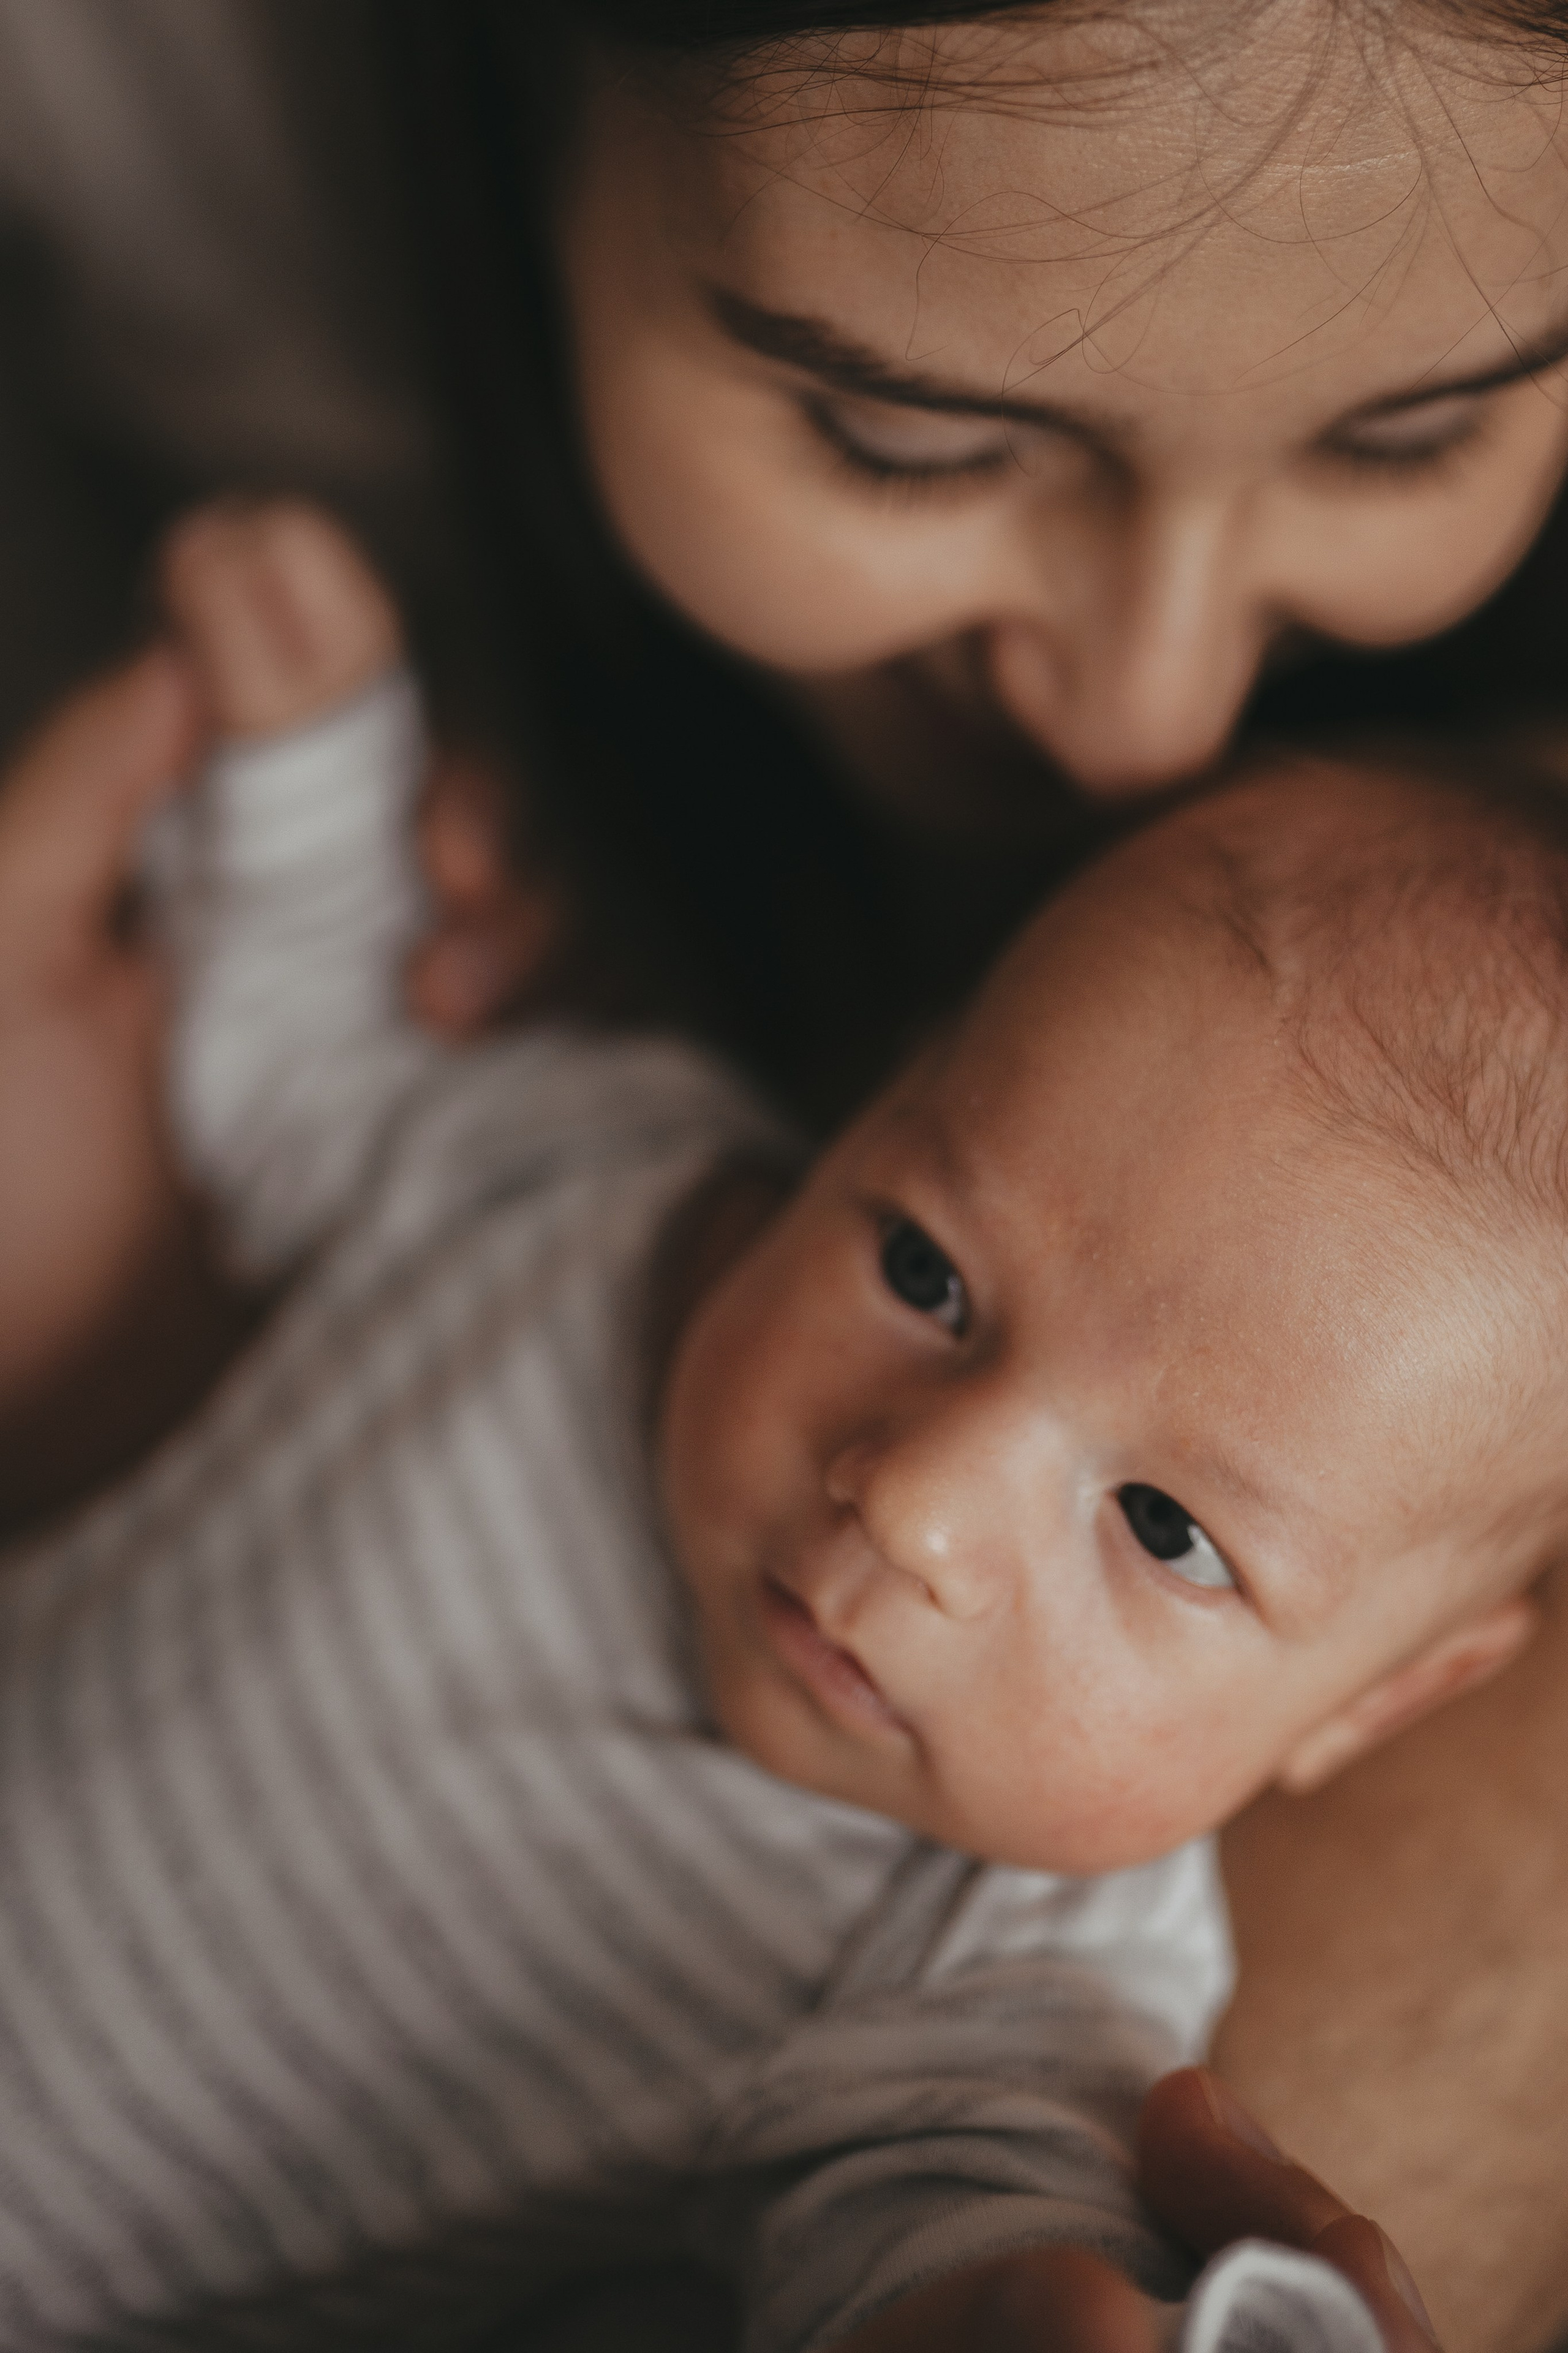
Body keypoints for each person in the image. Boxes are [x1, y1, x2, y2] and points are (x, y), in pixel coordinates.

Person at [4, 6, 1568, 2346]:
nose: (917, 1500)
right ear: (875, 1100)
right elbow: (324, 1065)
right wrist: (310, 759)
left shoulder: (994, 1963)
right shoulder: (610, 1181)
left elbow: (953, 2229)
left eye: (1169, 1530)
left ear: (1381, 1699)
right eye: (924, 1265)